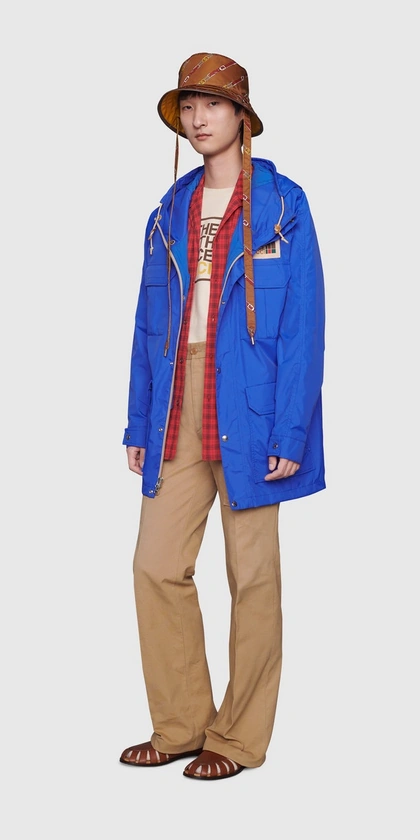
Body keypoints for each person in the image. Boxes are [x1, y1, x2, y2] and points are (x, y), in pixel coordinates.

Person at [120, 52, 325, 780]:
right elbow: (149, 322)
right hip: (178, 397)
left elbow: (303, 327)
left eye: (213, 104)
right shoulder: (166, 213)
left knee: (252, 578)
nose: (199, 117)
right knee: (155, 566)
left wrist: (291, 429)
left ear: (242, 116)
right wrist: (138, 420)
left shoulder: (283, 205)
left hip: (254, 403)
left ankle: (236, 740)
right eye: (189, 105)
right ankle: (181, 724)